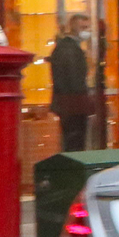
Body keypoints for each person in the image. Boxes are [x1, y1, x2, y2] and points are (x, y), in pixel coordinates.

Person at [49, 13, 96, 150]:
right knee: (75, 142)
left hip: (67, 104)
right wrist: (87, 101)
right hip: (74, 104)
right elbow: (75, 81)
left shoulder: (63, 47)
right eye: (84, 27)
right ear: (75, 27)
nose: (87, 30)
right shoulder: (71, 50)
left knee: (70, 141)